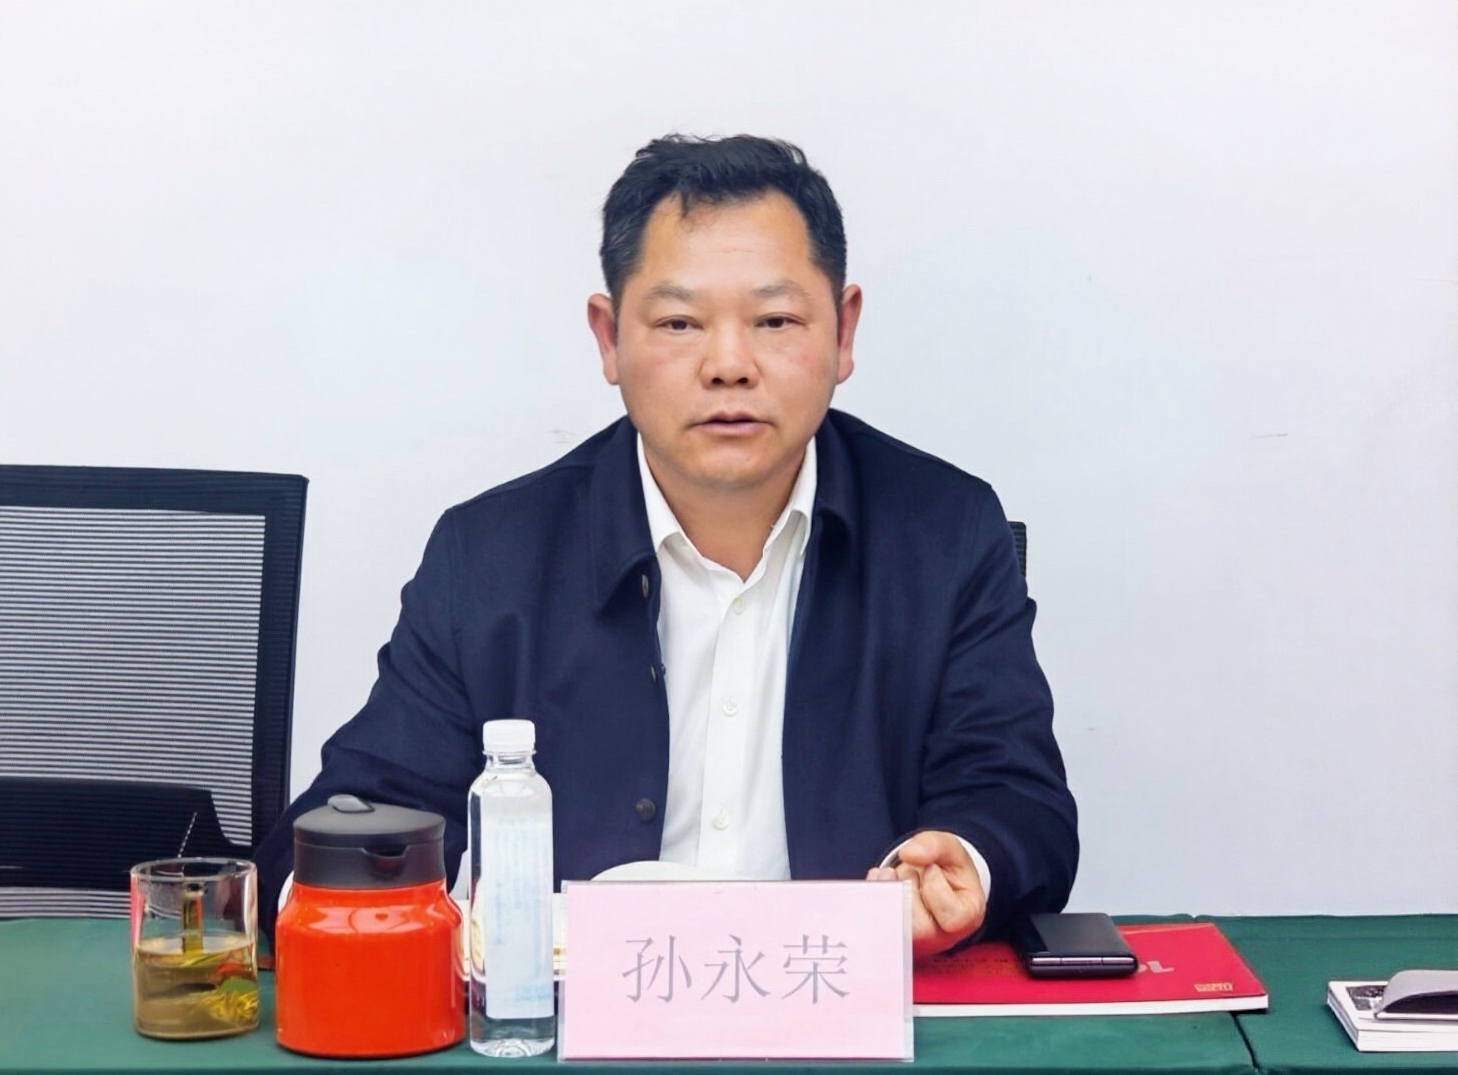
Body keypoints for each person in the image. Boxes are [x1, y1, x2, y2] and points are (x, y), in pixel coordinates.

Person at [256, 134, 1077, 957]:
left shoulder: (945, 533)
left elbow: (1017, 802)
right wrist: (347, 893)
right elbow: (362, 811)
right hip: (578, 1023)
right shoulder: (491, 556)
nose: (729, 365)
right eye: (680, 322)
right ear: (609, 338)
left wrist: (964, 864)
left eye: (775, 320)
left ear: (843, 331)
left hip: (843, 1003)